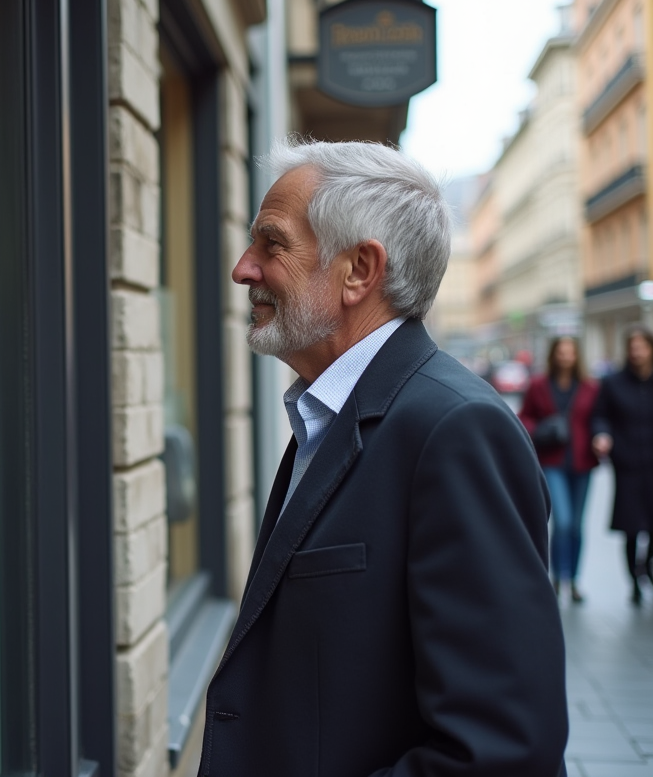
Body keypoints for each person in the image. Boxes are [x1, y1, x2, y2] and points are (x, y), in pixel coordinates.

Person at [200, 139, 567, 776]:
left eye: (272, 243)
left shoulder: (455, 430)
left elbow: (501, 752)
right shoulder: (334, 413)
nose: (242, 268)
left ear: (359, 271)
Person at [519, 336, 599, 602]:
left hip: (582, 462)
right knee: (562, 522)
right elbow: (524, 417)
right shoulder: (539, 385)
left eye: (570, 353)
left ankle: (574, 581)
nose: (566, 357)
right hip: (551, 461)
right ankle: (556, 577)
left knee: (577, 525)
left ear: (577, 356)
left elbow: (598, 419)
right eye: (561, 353)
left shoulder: (589, 387)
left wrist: (601, 437)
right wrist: (538, 429)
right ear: (554, 355)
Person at [590, 325, 653, 606]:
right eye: (632, 347)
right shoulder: (613, 382)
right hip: (627, 465)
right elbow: (601, 415)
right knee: (631, 527)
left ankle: (645, 565)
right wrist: (602, 435)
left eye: (642, 347)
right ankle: (633, 581)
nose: (636, 352)